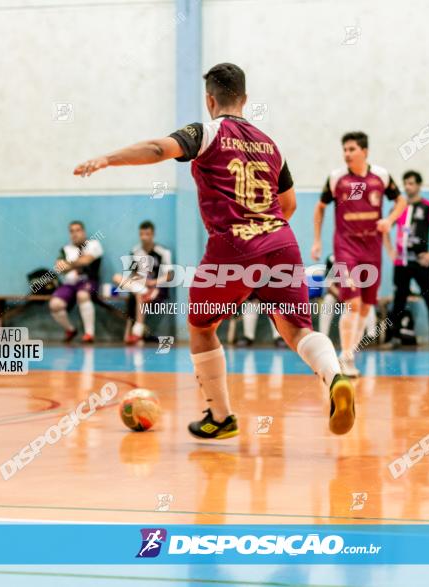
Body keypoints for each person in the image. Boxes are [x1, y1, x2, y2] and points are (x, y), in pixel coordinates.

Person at [75, 62, 354, 438]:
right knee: (297, 330)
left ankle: (220, 417)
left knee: (202, 326)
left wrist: (107, 159)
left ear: (210, 99)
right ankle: (335, 376)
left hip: (234, 247)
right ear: (245, 99)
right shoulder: (271, 145)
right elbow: (288, 205)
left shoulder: (205, 132)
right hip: (281, 243)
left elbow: (159, 148)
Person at [311, 132, 407, 376]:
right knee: (352, 303)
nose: (346, 153)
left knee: (365, 307)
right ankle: (345, 357)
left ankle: (349, 354)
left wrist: (389, 220)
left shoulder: (381, 177)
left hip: (372, 247)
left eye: (351, 149)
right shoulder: (336, 179)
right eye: (344, 149)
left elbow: (401, 202)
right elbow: (320, 208)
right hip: (345, 247)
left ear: (364, 151)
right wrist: (317, 241)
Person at [383, 170, 429, 351]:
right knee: (398, 300)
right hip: (401, 264)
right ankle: (395, 337)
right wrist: (390, 251)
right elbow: (385, 228)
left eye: (411, 183)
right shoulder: (398, 208)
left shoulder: (428, 207)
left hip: (422, 263)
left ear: (419, 185)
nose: (408, 187)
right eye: (405, 183)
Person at [112, 220, 173, 345]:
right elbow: (134, 274)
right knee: (117, 277)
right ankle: (138, 330)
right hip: (140, 285)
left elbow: (169, 275)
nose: (144, 237)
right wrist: (141, 282)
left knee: (138, 294)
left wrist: (153, 283)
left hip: (158, 287)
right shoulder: (135, 251)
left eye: (147, 234)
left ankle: (137, 331)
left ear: (153, 235)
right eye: (142, 234)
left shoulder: (163, 252)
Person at [48, 220, 103, 343]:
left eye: (78, 230)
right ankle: (71, 329)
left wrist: (68, 265)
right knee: (54, 304)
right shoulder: (65, 249)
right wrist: (73, 264)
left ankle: (89, 334)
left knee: (82, 295)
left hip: (88, 282)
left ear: (83, 232)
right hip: (69, 284)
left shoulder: (94, 244)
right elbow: (59, 268)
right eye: (71, 231)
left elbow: (86, 261)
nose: (75, 234)